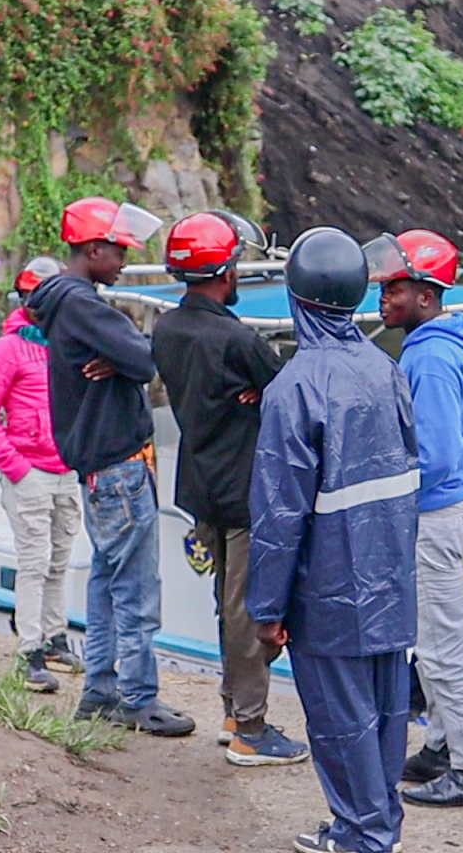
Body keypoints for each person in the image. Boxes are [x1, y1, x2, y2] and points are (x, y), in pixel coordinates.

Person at [246, 227, 419, 853]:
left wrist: (267, 610)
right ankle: (376, 825)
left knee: (341, 723)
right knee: (386, 715)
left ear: (295, 297)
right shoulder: (386, 369)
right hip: (389, 582)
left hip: (328, 592)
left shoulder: (293, 387)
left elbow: (278, 514)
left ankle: (363, 836)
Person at [26, 196, 196, 736]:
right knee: (136, 590)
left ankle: (99, 691)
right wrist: (129, 356)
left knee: (105, 583)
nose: (124, 260)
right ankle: (138, 698)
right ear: (92, 249)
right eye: (118, 250)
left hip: (100, 469)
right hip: (120, 465)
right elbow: (146, 359)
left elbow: (133, 356)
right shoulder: (83, 305)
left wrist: (123, 356)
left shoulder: (66, 302)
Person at [151, 212, 307, 765]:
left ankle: (231, 709)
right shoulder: (238, 339)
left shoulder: (166, 329)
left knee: (226, 602)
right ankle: (251, 729)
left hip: (199, 484)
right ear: (225, 271)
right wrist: (261, 395)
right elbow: (291, 392)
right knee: (247, 609)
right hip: (245, 490)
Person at [371, 228, 463, 808]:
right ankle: (441, 747)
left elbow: (436, 455)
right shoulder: (449, 344)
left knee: (444, 649)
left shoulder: (431, 358)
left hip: (438, 515)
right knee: (442, 637)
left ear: (426, 295)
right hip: (459, 507)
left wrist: (385, 486)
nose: (383, 299)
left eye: (394, 289)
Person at [0, 256, 84, 693]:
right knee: (35, 563)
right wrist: (16, 468)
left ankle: (54, 639)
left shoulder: (64, 345)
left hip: (64, 469)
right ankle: (29, 650)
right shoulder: (7, 349)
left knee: (58, 561)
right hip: (30, 471)